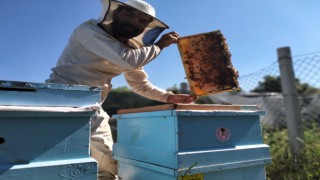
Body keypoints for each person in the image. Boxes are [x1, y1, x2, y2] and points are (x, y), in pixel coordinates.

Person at [46, 0, 196, 179]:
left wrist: (169, 97)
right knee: (55, 164)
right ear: (116, 13)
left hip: (93, 107)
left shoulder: (131, 48)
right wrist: (160, 45)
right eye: (131, 15)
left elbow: (139, 83)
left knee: (109, 164)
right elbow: (127, 60)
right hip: (59, 99)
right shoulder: (89, 30)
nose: (135, 23)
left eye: (142, 21)